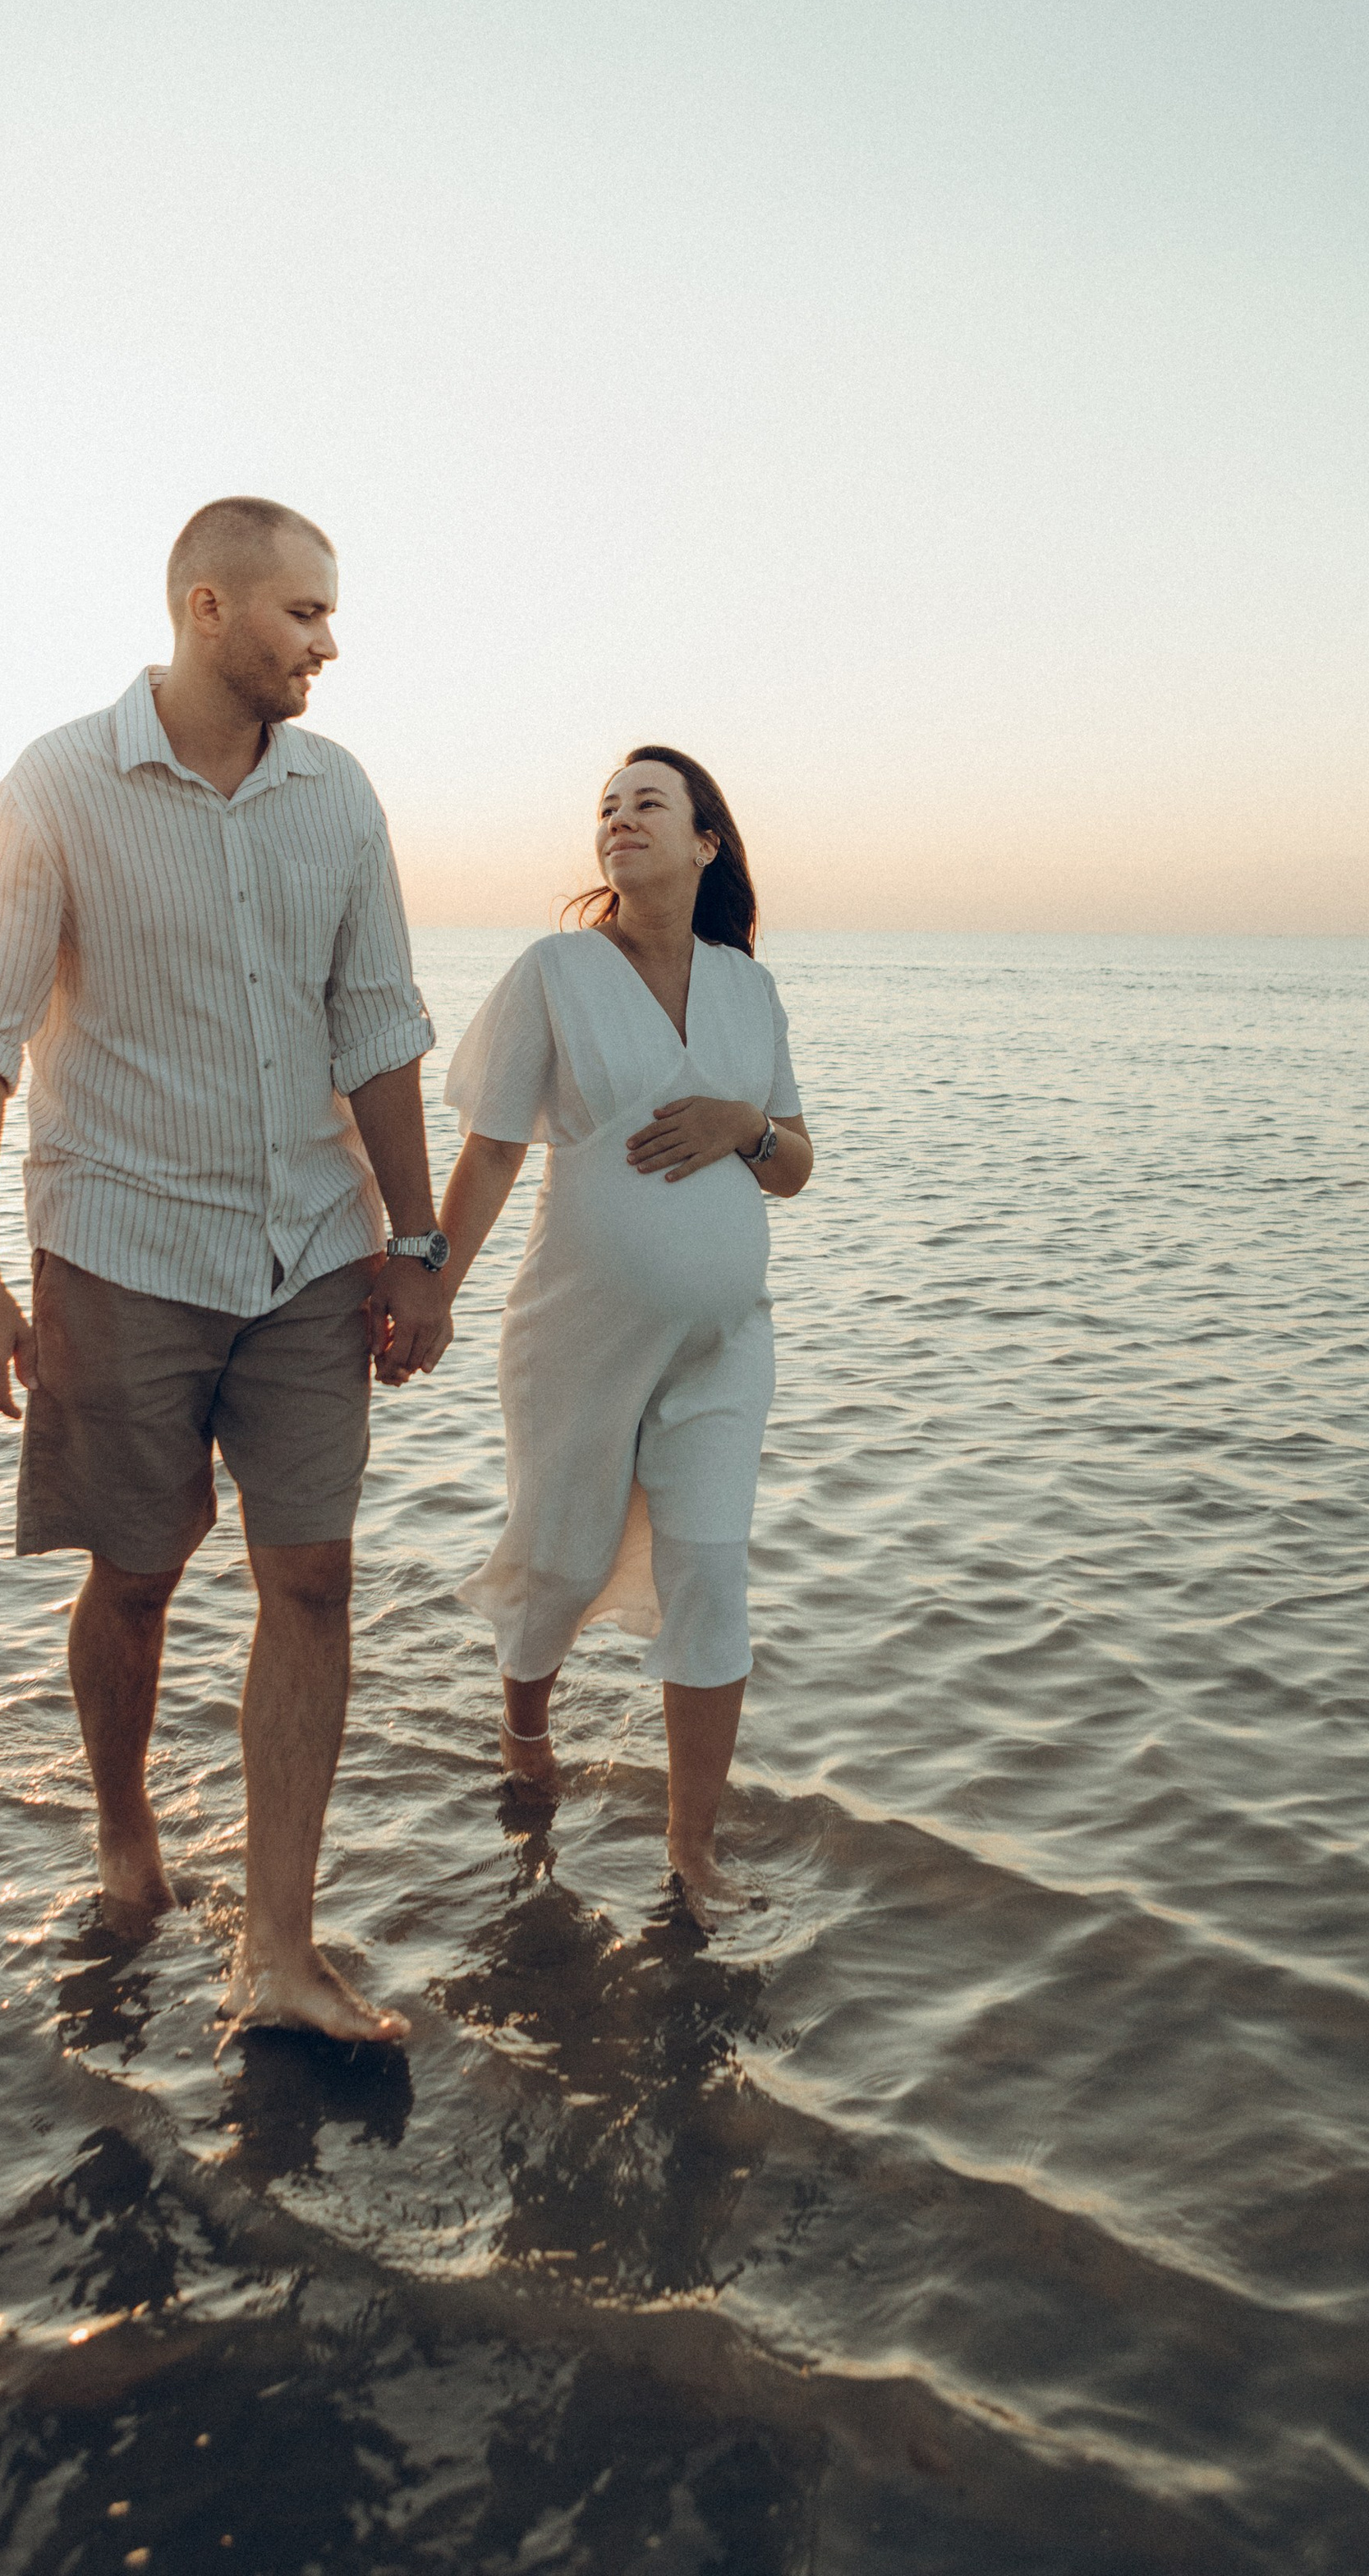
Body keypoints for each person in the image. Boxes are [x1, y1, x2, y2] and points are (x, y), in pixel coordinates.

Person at [0, 498, 453, 2045]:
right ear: (208, 608)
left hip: (312, 1250)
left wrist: (417, 1245)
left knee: (314, 1579)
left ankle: (278, 1947)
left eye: (330, 614)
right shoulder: (58, 785)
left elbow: (380, 1029)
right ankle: (125, 1831)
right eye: (304, 613)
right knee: (138, 1575)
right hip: (123, 1250)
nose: (328, 644)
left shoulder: (339, 796)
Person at [435, 748, 813, 1913]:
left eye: (648, 803)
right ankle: (524, 1730)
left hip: (724, 1345)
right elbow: (493, 1151)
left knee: (711, 1575)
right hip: (577, 1336)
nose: (619, 819)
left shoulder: (747, 989)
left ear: (706, 841)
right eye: (607, 807)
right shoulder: (556, 971)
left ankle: (692, 1852)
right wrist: (431, 1288)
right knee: (558, 1556)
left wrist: (744, 1123)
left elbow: (793, 1166)